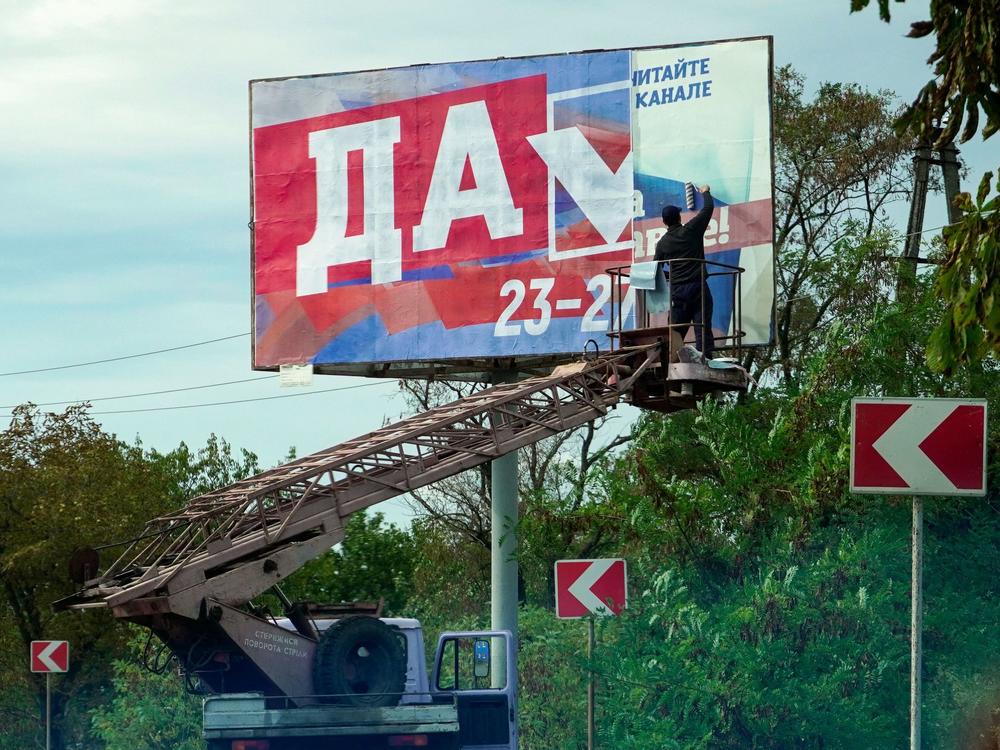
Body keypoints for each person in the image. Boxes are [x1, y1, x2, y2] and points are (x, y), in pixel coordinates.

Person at [654, 185, 715, 358]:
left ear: (664, 222)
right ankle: (705, 361)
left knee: (675, 334)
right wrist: (705, 192)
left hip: (677, 292)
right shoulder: (691, 230)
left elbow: (655, 270)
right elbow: (708, 208)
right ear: (679, 217)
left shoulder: (662, 243)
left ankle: (670, 362)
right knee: (702, 330)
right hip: (697, 289)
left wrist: (671, 275)